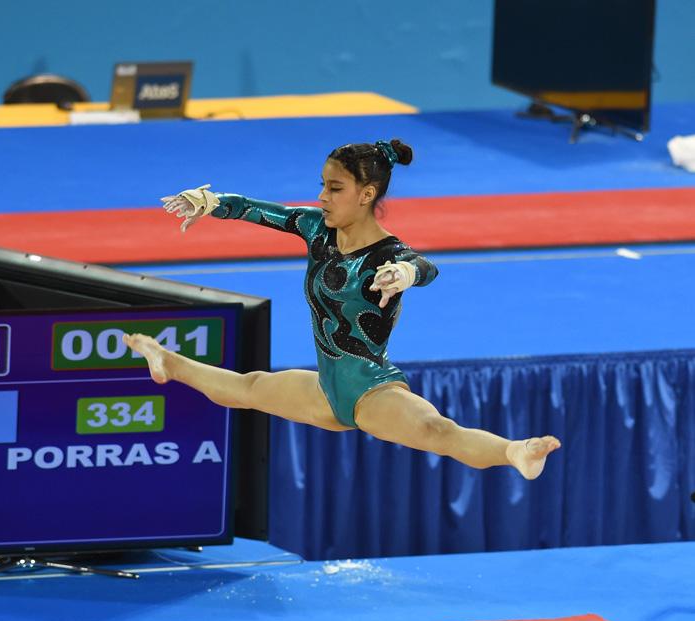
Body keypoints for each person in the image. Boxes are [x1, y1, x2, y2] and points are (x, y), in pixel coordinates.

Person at [123, 139, 560, 480]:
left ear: (367, 193)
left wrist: (406, 275)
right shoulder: (317, 230)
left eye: (335, 188)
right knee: (248, 387)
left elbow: (425, 267)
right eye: (322, 185)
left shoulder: (389, 254)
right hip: (327, 391)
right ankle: (169, 362)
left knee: (437, 433)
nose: (322, 196)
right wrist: (214, 203)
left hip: (371, 390)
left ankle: (515, 451)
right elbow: (262, 211)